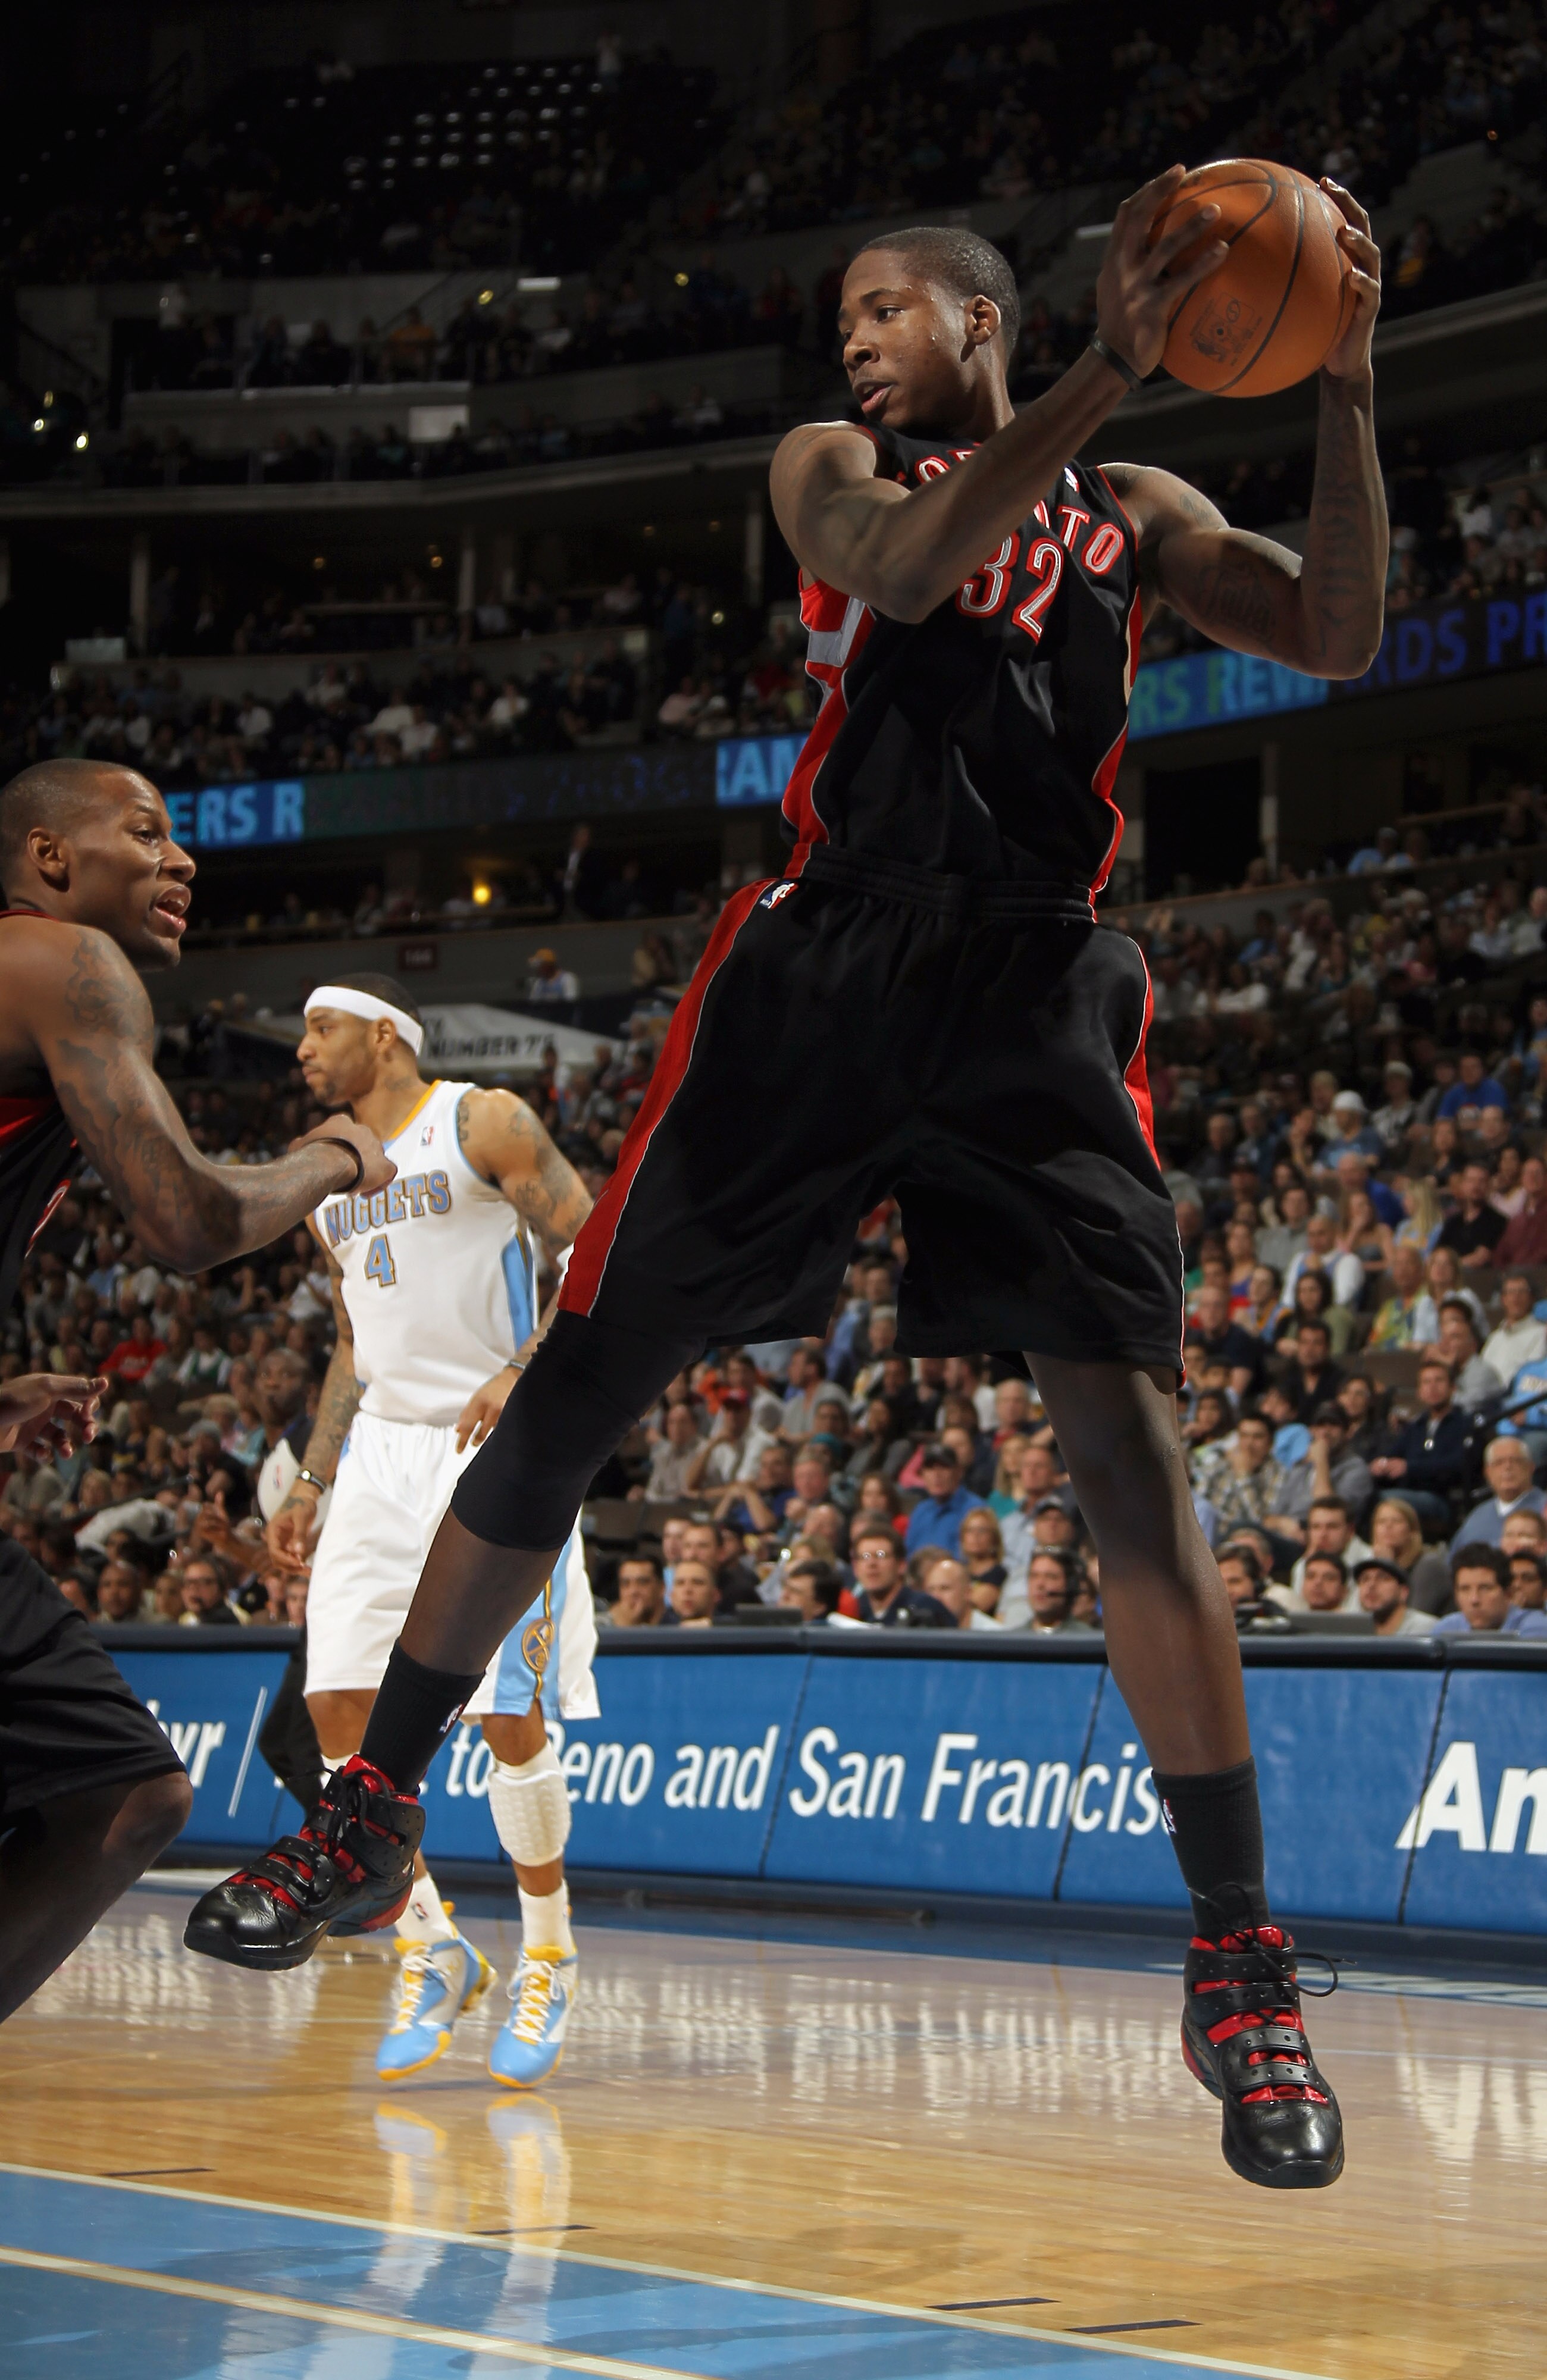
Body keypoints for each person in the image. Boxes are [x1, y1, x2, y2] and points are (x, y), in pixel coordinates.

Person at [194, 175, 1387, 2195]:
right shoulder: (833, 460)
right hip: (818, 974)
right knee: (579, 1388)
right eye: (847, 309)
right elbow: (911, 571)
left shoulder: (1146, 519)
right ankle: (373, 1797)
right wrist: (1109, 364)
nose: (854, 333)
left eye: (891, 304)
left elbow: (1344, 632)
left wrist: (1347, 381)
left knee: (1134, 1467)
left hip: (1033, 982)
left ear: (985, 319)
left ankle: (1238, 1955)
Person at [0, 755, 390, 2025]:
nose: (183, 860)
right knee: (127, 1795)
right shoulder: (65, 964)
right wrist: (331, 1154)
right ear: (52, 858)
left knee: (123, 1789)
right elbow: (185, 1216)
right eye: (148, 832)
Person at [190, 973, 596, 2092]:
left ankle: (551, 1951)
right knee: (336, 1712)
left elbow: (601, 1251)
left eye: (319, 1028)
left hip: (497, 1440)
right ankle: (433, 1943)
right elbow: (354, 1338)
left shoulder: (480, 1121)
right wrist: (316, 1473)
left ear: (385, 1035)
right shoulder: (328, 1178)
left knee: (508, 1717)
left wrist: (525, 1369)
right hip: (381, 1445)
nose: (302, 1050)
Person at [1449, 1436, 1547, 1554]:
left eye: (1515, 1461)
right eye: (1499, 1463)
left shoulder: (1544, 1507)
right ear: (1487, 1473)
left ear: (1531, 1467)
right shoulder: (1477, 1516)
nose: (1507, 1467)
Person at [1434, 1546, 1547, 1637]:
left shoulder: (1537, 1629)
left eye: (1485, 1588)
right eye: (1465, 1589)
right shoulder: (1446, 1630)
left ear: (1508, 1592)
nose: (1474, 1600)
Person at [1352, 1553, 1436, 1638]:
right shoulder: (1352, 1630)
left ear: (1403, 1592)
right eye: (1365, 1579)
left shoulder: (1426, 1629)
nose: (1371, 1585)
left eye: (1383, 1578)